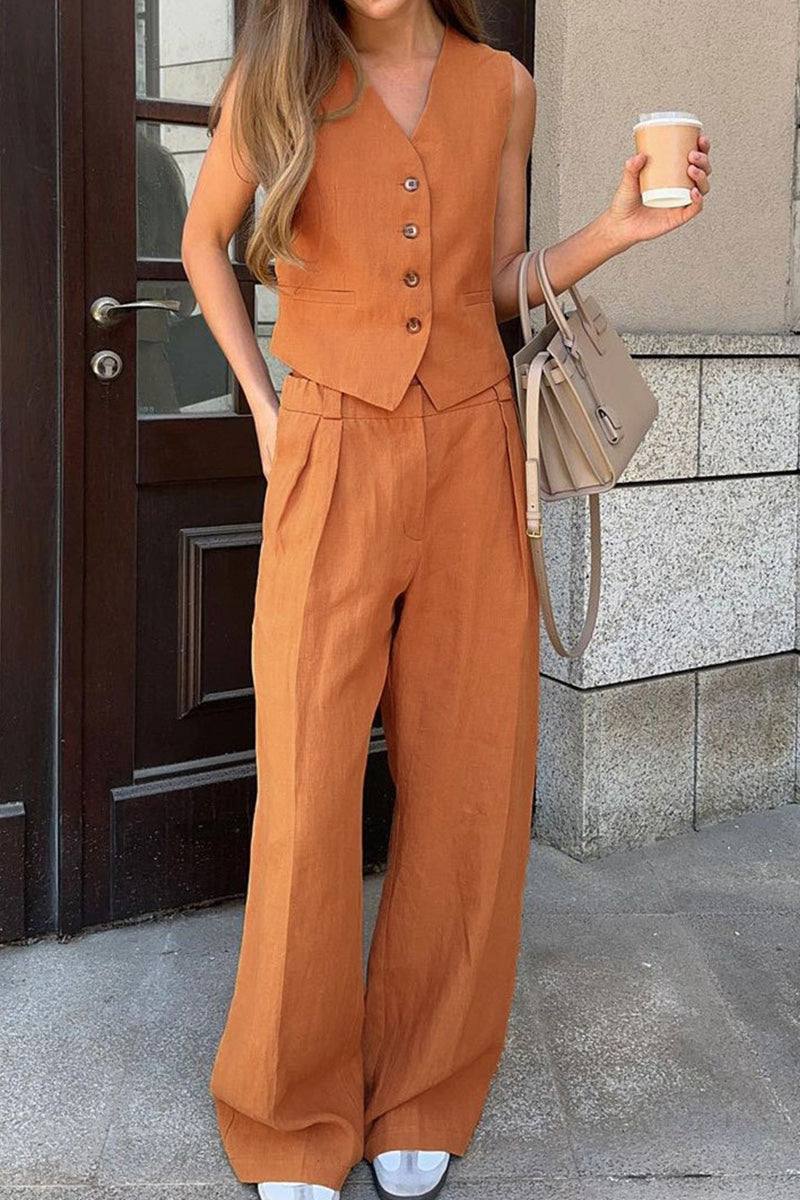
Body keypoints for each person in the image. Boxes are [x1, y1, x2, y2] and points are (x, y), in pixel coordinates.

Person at [180, 3, 712, 1198]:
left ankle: (424, 1084)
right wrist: (266, 411)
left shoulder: (503, 87)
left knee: (471, 777)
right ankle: (287, 1110)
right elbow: (203, 240)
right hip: (327, 445)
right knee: (308, 788)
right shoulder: (280, 73)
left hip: (472, 453)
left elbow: (493, 283)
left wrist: (617, 229)